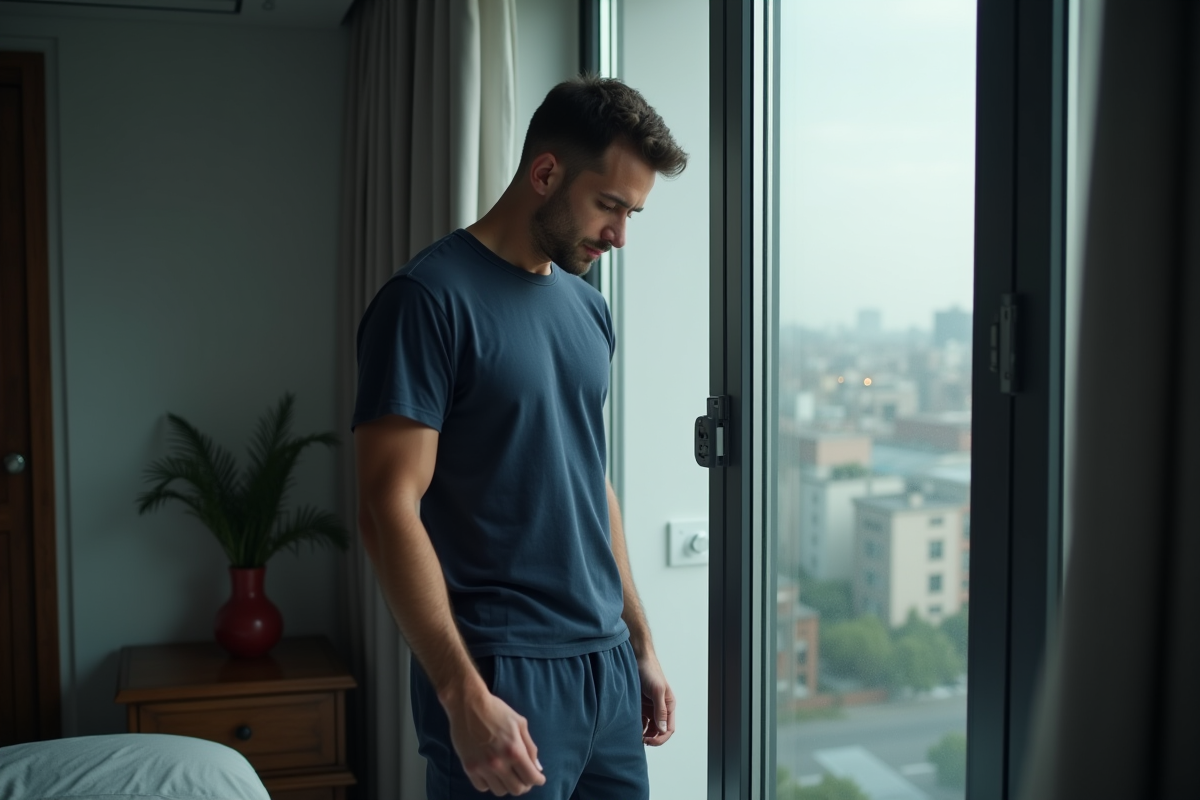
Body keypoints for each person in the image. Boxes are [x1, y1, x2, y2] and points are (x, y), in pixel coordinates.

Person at [352, 75, 688, 799]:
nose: (620, 235)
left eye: (633, 214)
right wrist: (462, 696)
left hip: (606, 672)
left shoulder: (588, 310)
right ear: (545, 173)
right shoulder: (426, 302)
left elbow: (588, 480)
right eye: (610, 206)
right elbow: (387, 509)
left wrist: (640, 644)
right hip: (505, 674)